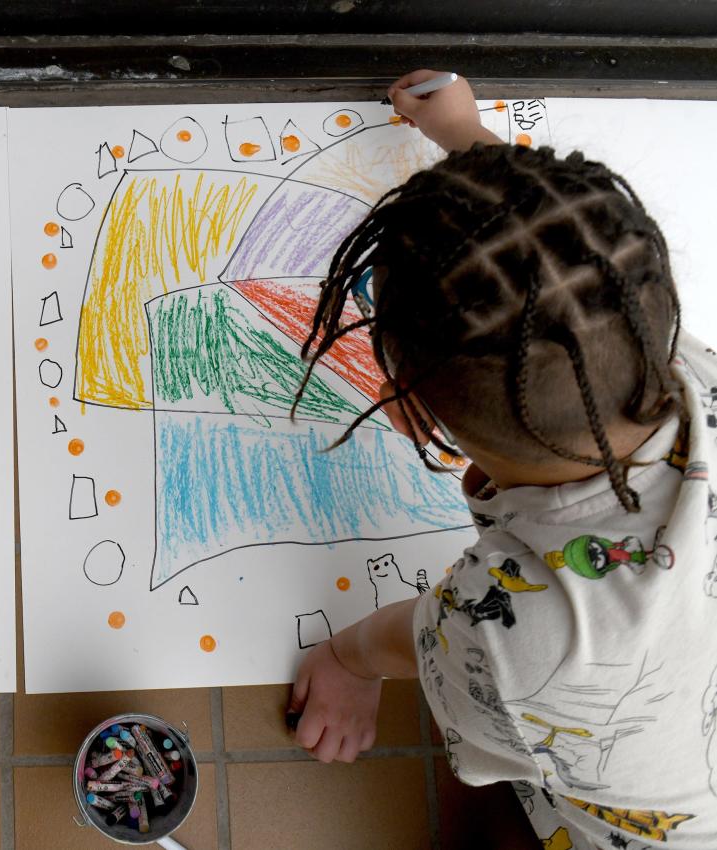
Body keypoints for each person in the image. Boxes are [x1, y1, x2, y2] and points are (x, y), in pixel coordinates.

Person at [286, 70, 717, 849]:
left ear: (411, 409)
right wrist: (469, 145)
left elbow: (421, 638)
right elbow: (568, 290)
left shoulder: (518, 644)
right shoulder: (682, 366)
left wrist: (347, 659)